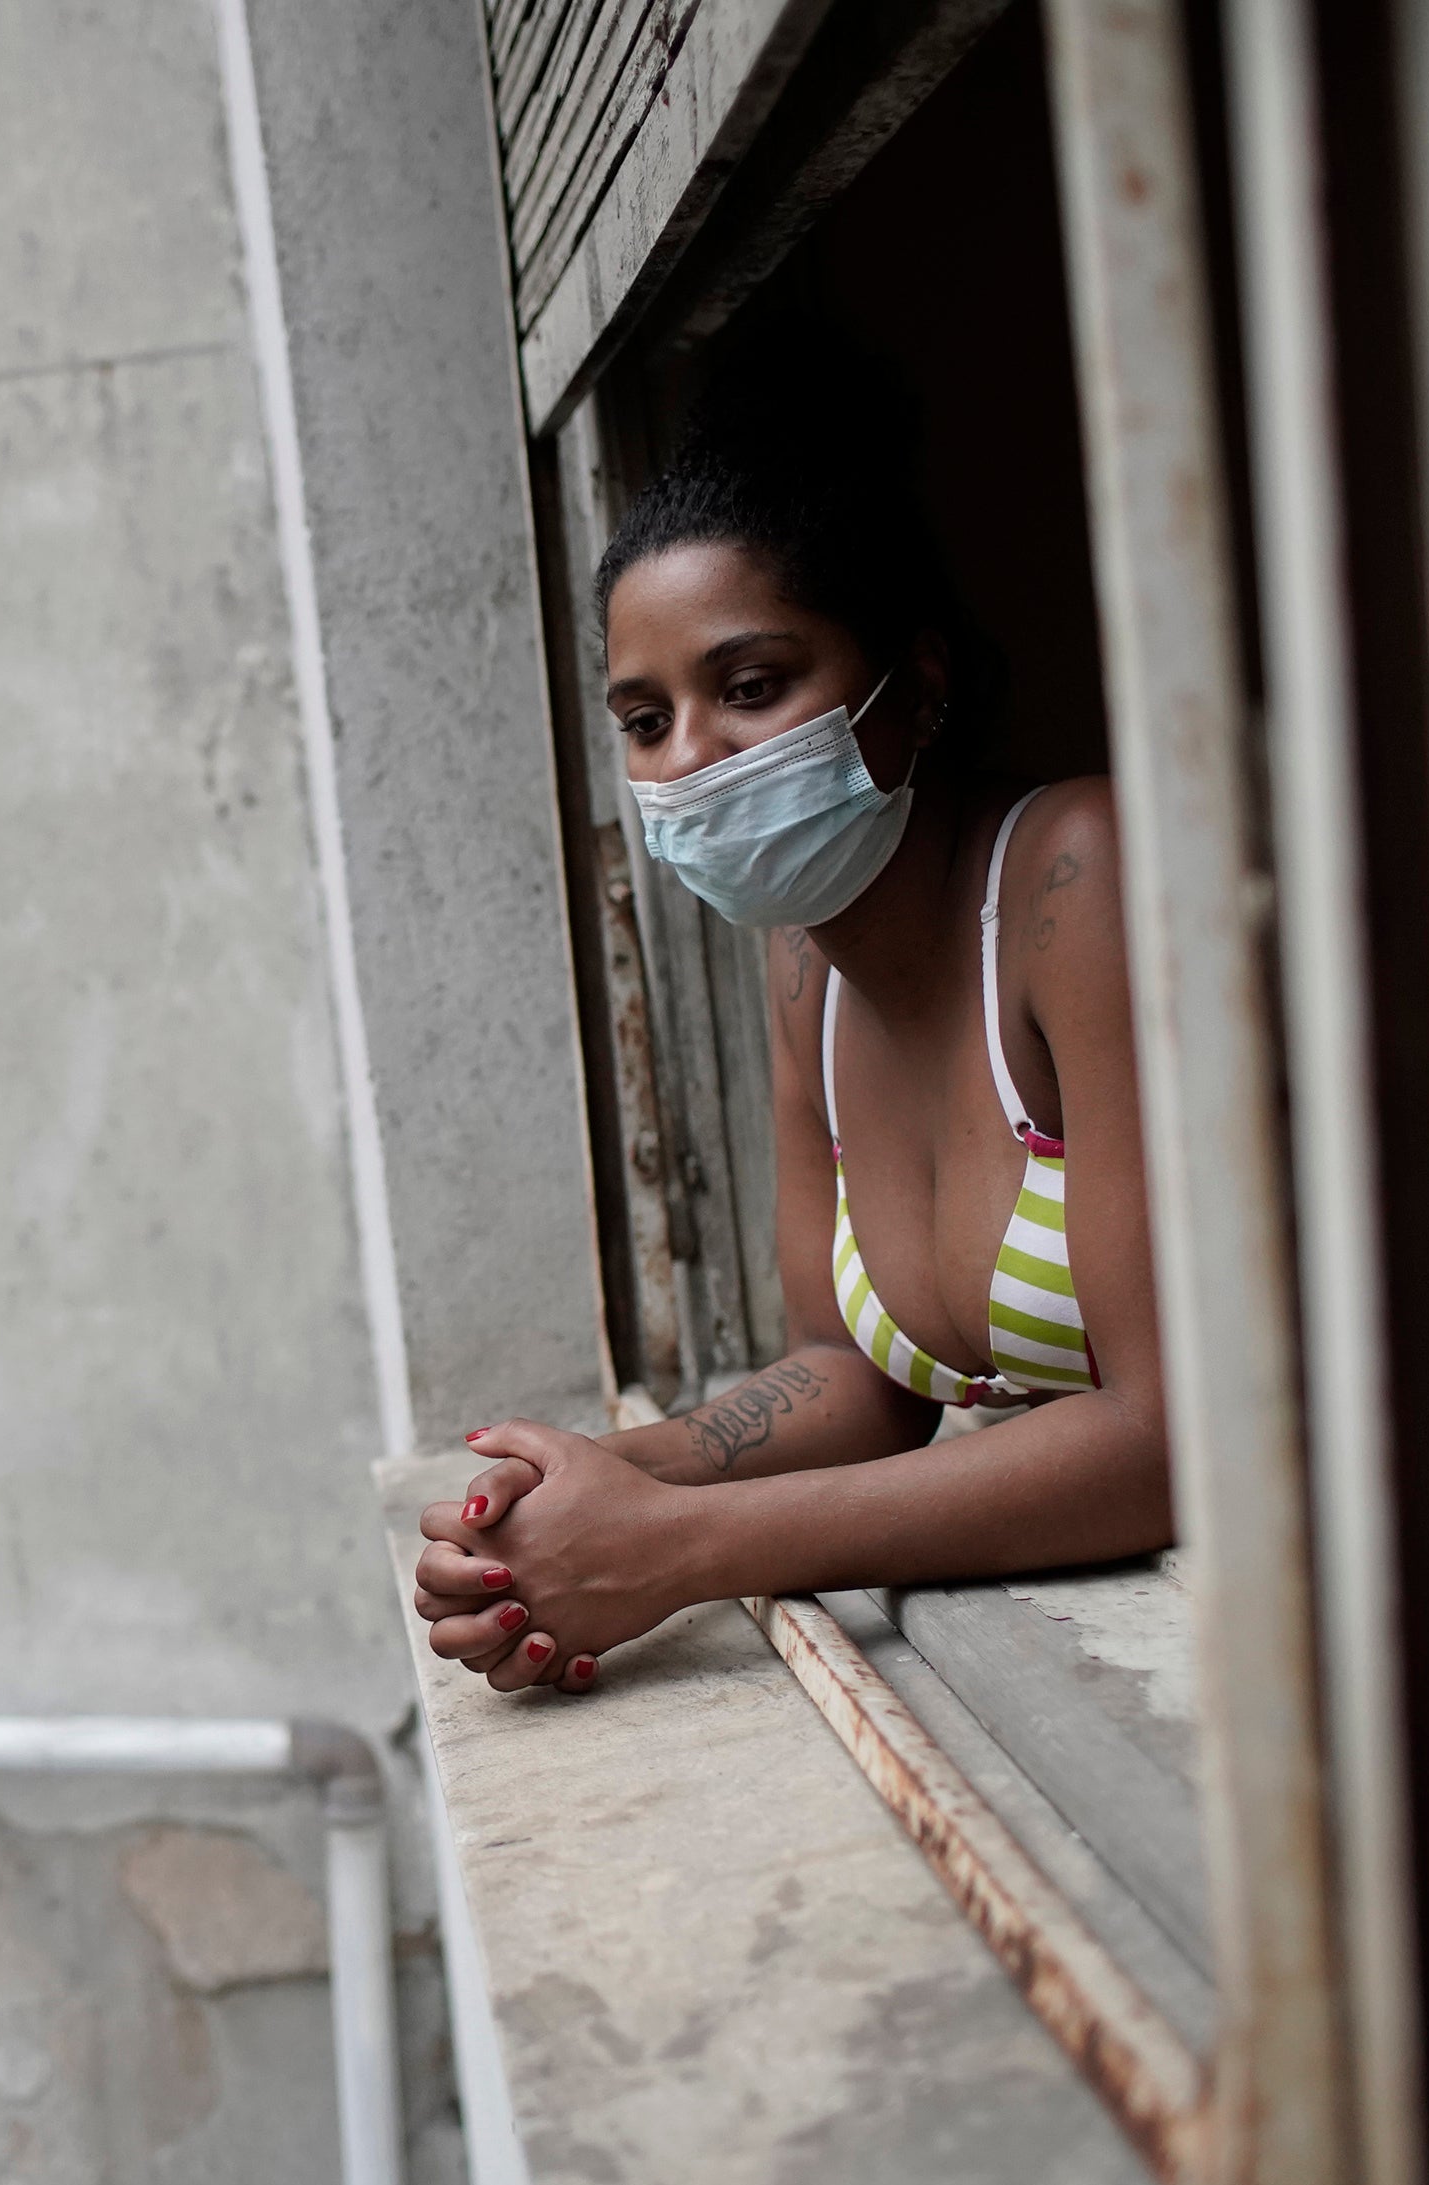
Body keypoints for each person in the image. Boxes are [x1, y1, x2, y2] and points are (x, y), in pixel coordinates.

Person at [414, 341, 1169, 1693]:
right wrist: (569, 1498)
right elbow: (859, 1378)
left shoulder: (1078, 877)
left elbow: (1170, 1435)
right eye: (644, 717)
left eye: (751, 684)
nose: (690, 757)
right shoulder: (804, 973)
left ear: (917, 686)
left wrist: (681, 1546)